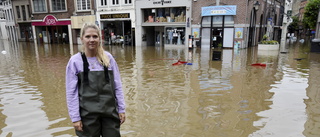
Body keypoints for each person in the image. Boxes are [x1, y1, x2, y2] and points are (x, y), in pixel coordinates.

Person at [65, 22, 126, 137]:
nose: (91, 40)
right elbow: (71, 93)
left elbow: (117, 85)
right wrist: (75, 118)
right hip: (87, 116)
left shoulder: (108, 58)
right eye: (88, 36)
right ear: (82, 38)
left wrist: (121, 109)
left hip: (110, 113)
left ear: (100, 38)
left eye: (95, 36)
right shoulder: (74, 62)